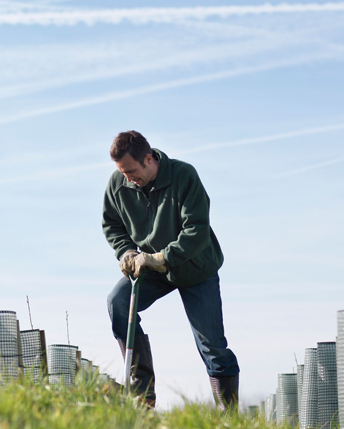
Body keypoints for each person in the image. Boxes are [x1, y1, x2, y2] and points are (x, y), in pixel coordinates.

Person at [102, 130, 240, 409]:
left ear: (149, 159)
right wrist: (127, 251)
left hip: (195, 267)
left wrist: (161, 258)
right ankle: (142, 392)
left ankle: (229, 417)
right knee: (118, 301)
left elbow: (196, 231)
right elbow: (112, 225)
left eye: (131, 171)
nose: (127, 178)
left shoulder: (184, 176)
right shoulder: (119, 183)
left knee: (212, 346)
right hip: (149, 269)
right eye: (122, 172)